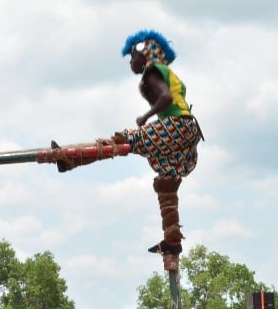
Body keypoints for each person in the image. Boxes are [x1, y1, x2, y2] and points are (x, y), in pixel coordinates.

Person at [54, 31, 202, 271]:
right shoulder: (164, 72)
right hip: (188, 133)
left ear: (144, 54)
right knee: (167, 180)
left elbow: (164, 98)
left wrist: (145, 116)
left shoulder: (152, 71)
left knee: (124, 141)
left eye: (132, 57)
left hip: (177, 127)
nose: (131, 62)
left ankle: (70, 159)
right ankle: (172, 242)